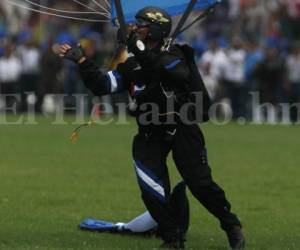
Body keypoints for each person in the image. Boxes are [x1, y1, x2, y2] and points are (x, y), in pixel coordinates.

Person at [58, 6, 245, 249]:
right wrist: (82, 61)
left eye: (141, 25)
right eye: (135, 25)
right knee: (151, 189)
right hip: (150, 133)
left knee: (199, 183)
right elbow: (103, 85)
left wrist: (135, 44)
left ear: (155, 29)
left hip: (182, 128)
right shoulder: (131, 66)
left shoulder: (178, 55)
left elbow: (165, 70)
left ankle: (230, 224)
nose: (135, 28)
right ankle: (172, 237)